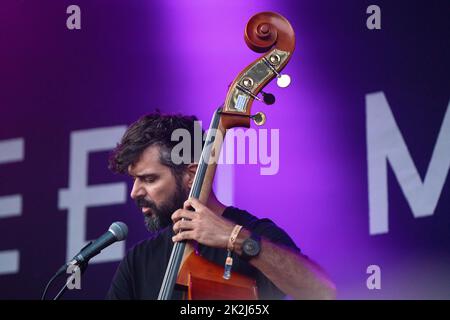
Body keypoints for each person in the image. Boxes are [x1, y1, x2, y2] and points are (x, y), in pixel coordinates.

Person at [106, 112, 336, 300]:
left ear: (191, 175)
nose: (134, 192)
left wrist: (236, 238)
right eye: (134, 179)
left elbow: (322, 292)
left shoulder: (255, 233)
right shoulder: (138, 261)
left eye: (149, 179)